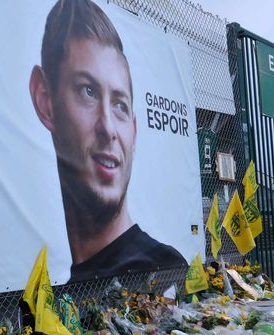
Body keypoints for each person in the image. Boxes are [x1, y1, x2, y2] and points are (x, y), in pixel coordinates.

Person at [29, 0, 186, 283]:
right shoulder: (62, 285)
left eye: (120, 105)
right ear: (44, 100)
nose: (108, 128)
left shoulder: (161, 269)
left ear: (134, 133)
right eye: (87, 91)